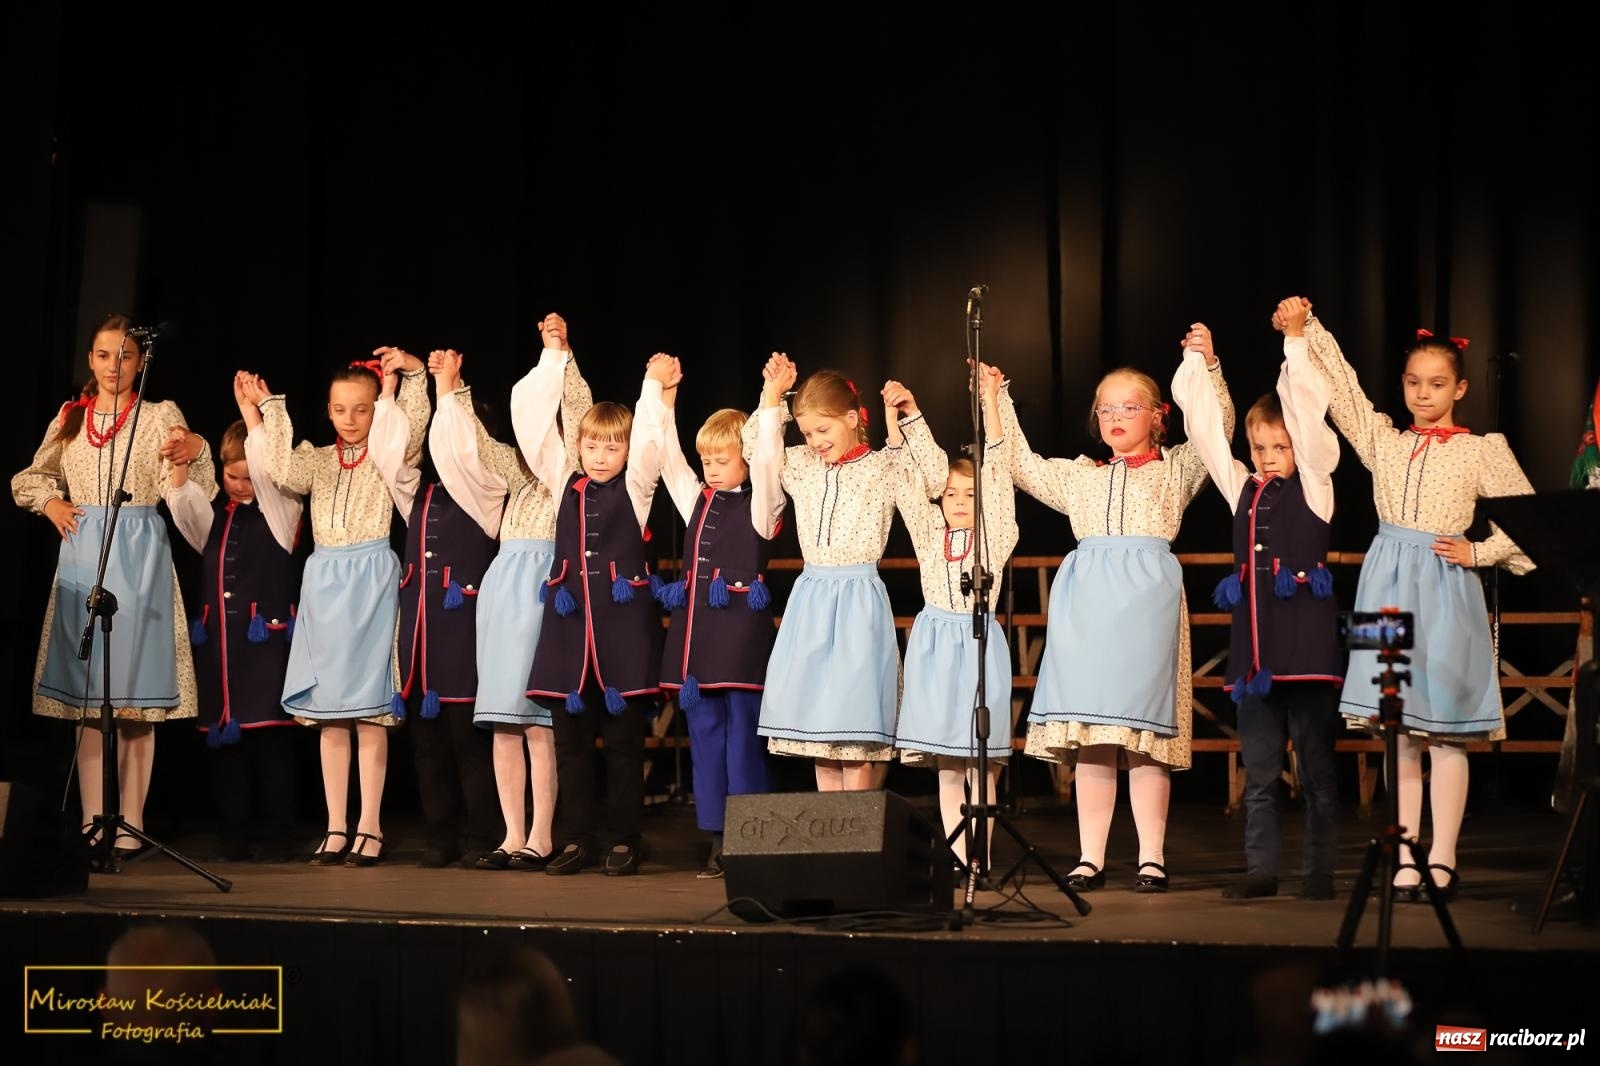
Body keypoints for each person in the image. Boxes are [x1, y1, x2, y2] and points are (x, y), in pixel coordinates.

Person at [1292, 296, 1535, 899]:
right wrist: (1308, 328)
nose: (1423, 394)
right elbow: (1344, 391)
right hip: (1384, 583)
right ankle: (1404, 856)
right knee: (1397, 729)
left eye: (1437, 384)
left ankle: (1443, 856)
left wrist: (1479, 552)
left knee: (1445, 729)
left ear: (1460, 389)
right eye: (1413, 382)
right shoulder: (1385, 440)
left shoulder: (1482, 449)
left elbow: (1533, 524)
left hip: (1446, 588)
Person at [998, 324, 1234, 891]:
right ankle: (1091, 857)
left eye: (1129, 407)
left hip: (1146, 611)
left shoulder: (1175, 469)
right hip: (1087, 613)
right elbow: (1022, 466)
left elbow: (1217, 429)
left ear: (1157, 416)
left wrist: (1208, 367)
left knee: (1144, 736)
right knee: (1094, 734)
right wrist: (995, 400)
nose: (1116, 417)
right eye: (1106, 409)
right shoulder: (1080, 477)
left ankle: (1151, 856)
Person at [13, 314, 212, 863]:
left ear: (141, 362)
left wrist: (192, 450)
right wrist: (50, 501)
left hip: (138, 550)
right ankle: (91, 820)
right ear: (90, 360)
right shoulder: (72, 417)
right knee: (89, 702)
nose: (113, 366)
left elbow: (198, 484)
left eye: (124, 356)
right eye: (103, 355)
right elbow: (31, 476)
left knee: (131, 703)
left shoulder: (160, 414)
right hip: (84, 557)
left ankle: (131, 823)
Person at [1174, 301, 1343, 899]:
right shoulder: (1241, 487)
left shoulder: (1316, 486)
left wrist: (1295, 342)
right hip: (1256, 656)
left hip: (1307, 652)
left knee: (1317, 774)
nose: (1269, 457)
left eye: (1280, 446)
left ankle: (1319, 874)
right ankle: (1261, 870)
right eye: (1261, 447)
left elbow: (1308, 417)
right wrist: (1202, 363)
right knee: (1262, 772)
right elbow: (1204, 433)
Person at [245, 347, 429, 866]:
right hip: (325, 581)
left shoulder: (387, 455)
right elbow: (281, 467)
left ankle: (370, 825)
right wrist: (270, 409)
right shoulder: (317, 459)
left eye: (362, 409)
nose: (350, 419)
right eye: (340, 409)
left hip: (370, 580)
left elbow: (412, 430)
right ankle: (335, 826)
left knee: (369, 711)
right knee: (331, 715)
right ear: (327, 410)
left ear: (376, 410)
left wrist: (413, 376)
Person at [427, 320, 592, 870]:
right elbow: (467, 445)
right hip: (503, 589)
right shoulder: (513, 474)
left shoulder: (568, 471)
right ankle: (511, 832)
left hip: (542, 588)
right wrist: (449, 390)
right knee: (503, 719)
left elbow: (575, 408)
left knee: (538, 720)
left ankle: (541, 834)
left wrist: (558, 354)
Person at [743, 354, 947, 791]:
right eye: (807, 433)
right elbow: (754, 450)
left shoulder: (883, 467)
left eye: (824, 429)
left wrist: (910, 416)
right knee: (821, 734)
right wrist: (773, 395)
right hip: (812, 601)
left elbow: (933, 478)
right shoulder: (800, 464)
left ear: (852, 419)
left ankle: (858, 826)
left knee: (855, 733)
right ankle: (832, 828)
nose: (815, 441)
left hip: (858, 601)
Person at [513, 337, 663, 876]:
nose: (600, 457)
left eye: (611, 448)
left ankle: (624, 839)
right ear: (578, 446)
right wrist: (553, 356)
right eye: (592, 446)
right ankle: (577, 839)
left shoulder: (638, 487)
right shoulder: (564, 483)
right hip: (569, 638)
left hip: (623, 638)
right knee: (571, 747)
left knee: (623, 746)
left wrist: (652, 387)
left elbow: (651, 441)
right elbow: (533, 426)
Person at [631, 353, 784, 877]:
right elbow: (666, 454)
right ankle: (717, 837)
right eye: (707, 461)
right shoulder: (696, 499)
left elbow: (769, 460)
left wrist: (769, 401)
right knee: (706, 741)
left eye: (721, 460)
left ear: (744, 459)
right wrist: (662, 396)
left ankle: (749, 835)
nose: (710, 469)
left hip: (740, 643)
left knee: (743, 742)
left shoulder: (764, 504)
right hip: (697, 644)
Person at [167, 396, 305, 862]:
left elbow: (266, 480)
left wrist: (258, 423)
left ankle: (281, 835)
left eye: (249, 477)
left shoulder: (282, 509)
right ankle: (233, 833)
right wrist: (181, 465)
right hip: (223, 649)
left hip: (265, 647)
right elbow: (183, 507)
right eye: (232, 477)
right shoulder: (217, 517)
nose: (242, 486)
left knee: (271, 745)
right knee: (229, 749)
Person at [892, 362, 1016, 866]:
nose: (960, 501)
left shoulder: (996, 533)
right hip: (934, 646)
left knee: (980, 763)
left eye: (970, 494)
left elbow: (999, 469)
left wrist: (992, 402)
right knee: (947, 764)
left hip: (979, 642)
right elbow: (907, 481)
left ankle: (979, 856)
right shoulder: (929, 534)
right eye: (951, 494)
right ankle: (957, 858)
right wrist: (907, 417)